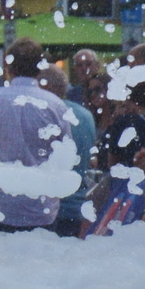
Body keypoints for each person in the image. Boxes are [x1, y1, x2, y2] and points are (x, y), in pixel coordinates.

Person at [0, 38, 74, 236]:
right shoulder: (56, 105)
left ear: (8, 66)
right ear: (40, 67)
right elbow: (66, 156)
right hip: (40, 207)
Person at [39, 65, 98, 237]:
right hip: (77, 204)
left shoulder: (44, 113)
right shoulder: (85, 115)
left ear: (43, 86)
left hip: (47, 207)